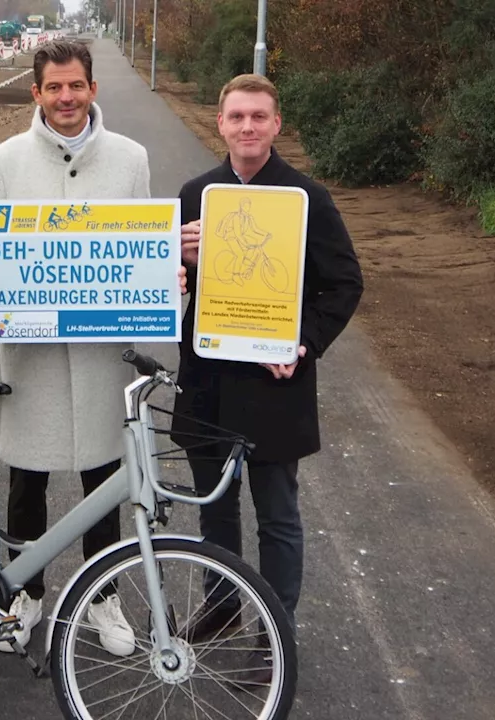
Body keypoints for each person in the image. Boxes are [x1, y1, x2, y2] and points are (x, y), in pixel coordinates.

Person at [0, 39, 185, 658]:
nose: (65, 98)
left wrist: (165, 274)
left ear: (92, 88)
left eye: (75, 86)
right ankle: (26, 594)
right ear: (36, 93)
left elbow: (146, 238)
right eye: (54, 88)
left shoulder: (130, 159)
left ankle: (101, 598)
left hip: (99, 355)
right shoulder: (3, 159)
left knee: (104, 477)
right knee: (25, 479)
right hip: (29, 358)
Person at [171, 74, 364, 675]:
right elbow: (166, 283)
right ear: (220, 123)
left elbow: (345, 283)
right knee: (214, 509)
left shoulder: (307, 198)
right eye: (237, 117)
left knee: (277, 512)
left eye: (259, 116)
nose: (247, 127)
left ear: (277, 125)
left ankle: (275, 627)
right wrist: (174, 259)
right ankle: (223, 605)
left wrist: (304, 343)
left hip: (275, 382)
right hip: (208, 379)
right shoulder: (196, 195)